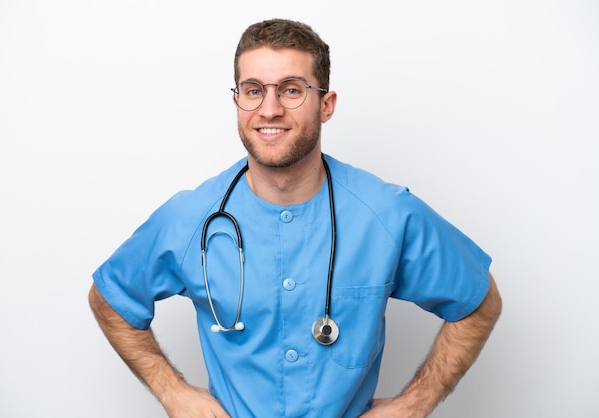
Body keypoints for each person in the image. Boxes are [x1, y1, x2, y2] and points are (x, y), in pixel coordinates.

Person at [88, 18, 502, 418]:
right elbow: (110, 298)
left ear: (326, 105)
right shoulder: (191, 217)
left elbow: (478, 302)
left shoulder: (388, 214)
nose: (269, 110)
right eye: (253, 91)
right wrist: (173, 392)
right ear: (237, 102)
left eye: (290, 90)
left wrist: (414, 405)